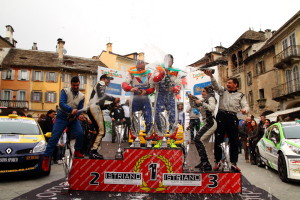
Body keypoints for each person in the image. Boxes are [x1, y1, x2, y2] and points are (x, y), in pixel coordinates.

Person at [204, 70, 249, 172]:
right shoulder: (222, 91)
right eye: (227, 83)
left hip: (233, 117)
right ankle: (218, 161)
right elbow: (216, 86)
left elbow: (246, 106)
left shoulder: (241, 95)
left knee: (234, 141)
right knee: (218, 139)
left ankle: (233, 163)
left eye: (229, 83)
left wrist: (244, 110)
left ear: (235, 84)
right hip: (221, 116)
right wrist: (211, 76)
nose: (227, 84)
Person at [42, 76, 85, 171]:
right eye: (74, 85)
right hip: (62, 117)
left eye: (77, 85)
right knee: (54, 138)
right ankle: (46, 158)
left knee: (80, 133)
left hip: (73, 118)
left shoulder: (82, 96)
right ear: (71, 84)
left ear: (79, 84)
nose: (75, 87)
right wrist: (71, 110)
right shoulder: (64, 91)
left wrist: (79, 114)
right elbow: (61, 103)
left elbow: (80, 108)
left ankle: (77, 150)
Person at [87, 74, 120, 159]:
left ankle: (91, 150)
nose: (109, 81)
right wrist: (113, 99)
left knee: (99, 131)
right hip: (94, 108)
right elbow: (102, 96)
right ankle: (93, 151)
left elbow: (103, 107)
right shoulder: (101, 83)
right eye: (108, 79)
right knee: (101, 131)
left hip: (93, 108)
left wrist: (113, 104)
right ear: (104, 79)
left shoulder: (98, 95)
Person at [153, 54, 182, 147]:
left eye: (170, 60)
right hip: (160, 95)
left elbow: (179, 85)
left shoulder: (176, 72)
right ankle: (159, 140)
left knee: (173, 117)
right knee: (158, 116)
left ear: (172, 62)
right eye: (166, 60)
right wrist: (161, 74)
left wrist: (174, 88)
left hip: (171, 96)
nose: (168, 62)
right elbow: (152, 81)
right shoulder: (158, 69)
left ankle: (172, 140)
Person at [122, 60, 155, 137]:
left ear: (145, 67)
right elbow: (124, 84)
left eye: (142, 68)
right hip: (135, 99)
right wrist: (131, 88)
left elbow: (153, 88)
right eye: (138, 69)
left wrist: (146, 91)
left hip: (145, 99)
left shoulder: (149, 74)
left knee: (149, 119)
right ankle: (134, 138)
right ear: (136, 67)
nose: (140, 70)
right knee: (134, 119)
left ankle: (148, 138)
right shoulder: (131, 73)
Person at [193, 86, 217, 171]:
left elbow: (212, 108)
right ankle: (204, 161)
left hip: (210, 122)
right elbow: (202, 108)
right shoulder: (205, 100)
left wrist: (202, 103)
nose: (202, 93)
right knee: (201, 142)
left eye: (203, 91)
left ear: (208, 92)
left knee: (198, 139)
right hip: (207, 122)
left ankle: (206, 163)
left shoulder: (211, 98)